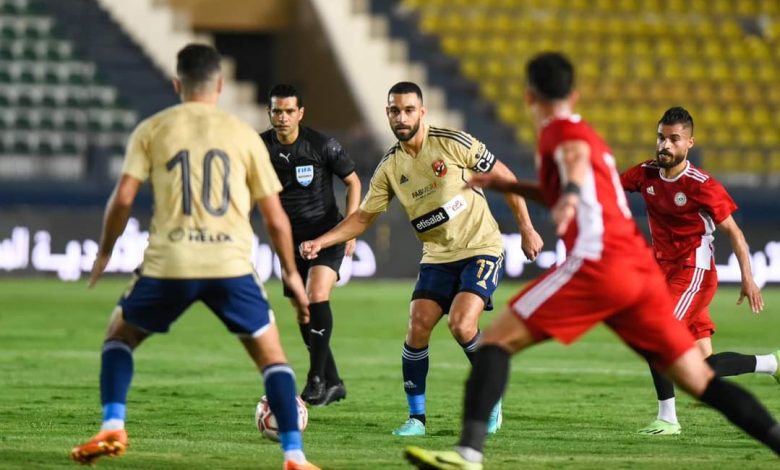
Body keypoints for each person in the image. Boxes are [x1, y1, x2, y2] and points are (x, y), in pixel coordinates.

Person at [404, 52, 780, 470]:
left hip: (596, 266)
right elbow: (573, 184)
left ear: (529, 96)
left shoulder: (557, 133)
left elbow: (575, 169)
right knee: (700, 378)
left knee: (493, 341)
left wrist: (569, 196)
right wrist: (509, 185)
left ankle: (469, 453)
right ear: (575, 93)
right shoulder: (591, 136)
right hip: (639, 272)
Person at [69, 44, 320, 470]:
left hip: (170, 263)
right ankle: (294, 455)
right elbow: (276, 218)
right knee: (273, 359)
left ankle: (113, 423)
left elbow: (123, 198)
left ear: (177, 84)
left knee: (118, 337)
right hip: (230, 266)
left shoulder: (153, 129)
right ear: (220, 86)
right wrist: (292, 276)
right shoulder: (243, 135)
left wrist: (106, 251)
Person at [299, 81, 544, 437]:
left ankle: (490, 401)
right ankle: (417, 418)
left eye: (408, 110)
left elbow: (504, 176)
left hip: (481, 246)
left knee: (461, 324)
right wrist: (322, 241)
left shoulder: (452, 142)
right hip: (437, 255)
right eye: (394, 111)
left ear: (422, 111)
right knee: (417, 327)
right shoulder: (389, 167)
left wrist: (527, 227)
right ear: (387, 114)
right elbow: (363, 218)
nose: (401, 117)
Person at [621, 106, 778, 436]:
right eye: (661, 138)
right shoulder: (645, 174)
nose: (665, 145)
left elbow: (734, 232)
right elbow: (610, 189)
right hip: (662, 272)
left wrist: (749, 277)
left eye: (674, 139)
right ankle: (772, 363)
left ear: (689, 143)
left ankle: (668, 419)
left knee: (656, 338)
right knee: (702, 373)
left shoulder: (702, 185)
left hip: (694, 271)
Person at [260, 83, 361, 406]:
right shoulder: (260, 147)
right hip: (290, 241)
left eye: (289, 111)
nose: (283, 117)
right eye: (277, 111)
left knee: (317, 295)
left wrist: (351, 229)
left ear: (300, 113)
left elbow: (353, 181)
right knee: (304, 313)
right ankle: (334, 381)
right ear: (270, 113)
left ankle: (316, 379)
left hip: (326, 235)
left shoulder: (322, 145)